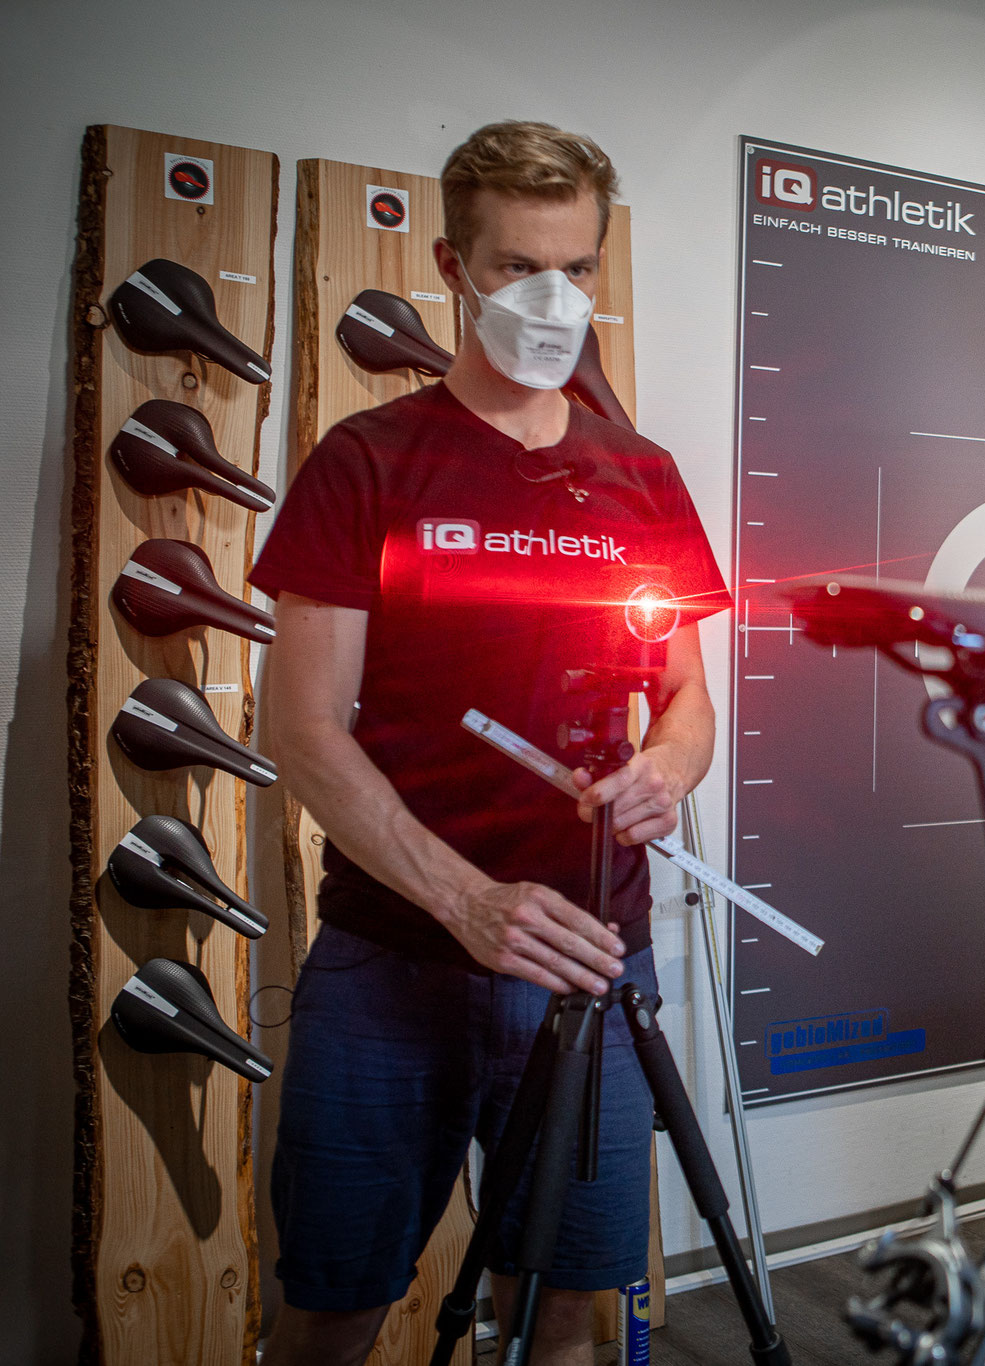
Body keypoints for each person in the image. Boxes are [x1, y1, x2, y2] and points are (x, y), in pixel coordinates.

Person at [256, 121, 728, 1366]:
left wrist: (666, 772)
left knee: (565, 1311)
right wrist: (466, 901)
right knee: (332, 1310)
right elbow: (301, 730)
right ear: (452, 267)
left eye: (575, 270)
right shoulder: (368, 463)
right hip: (395, 960)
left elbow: (688, 701)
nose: (550, 300)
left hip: (588, 963)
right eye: (518, 269)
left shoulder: (642, 476)